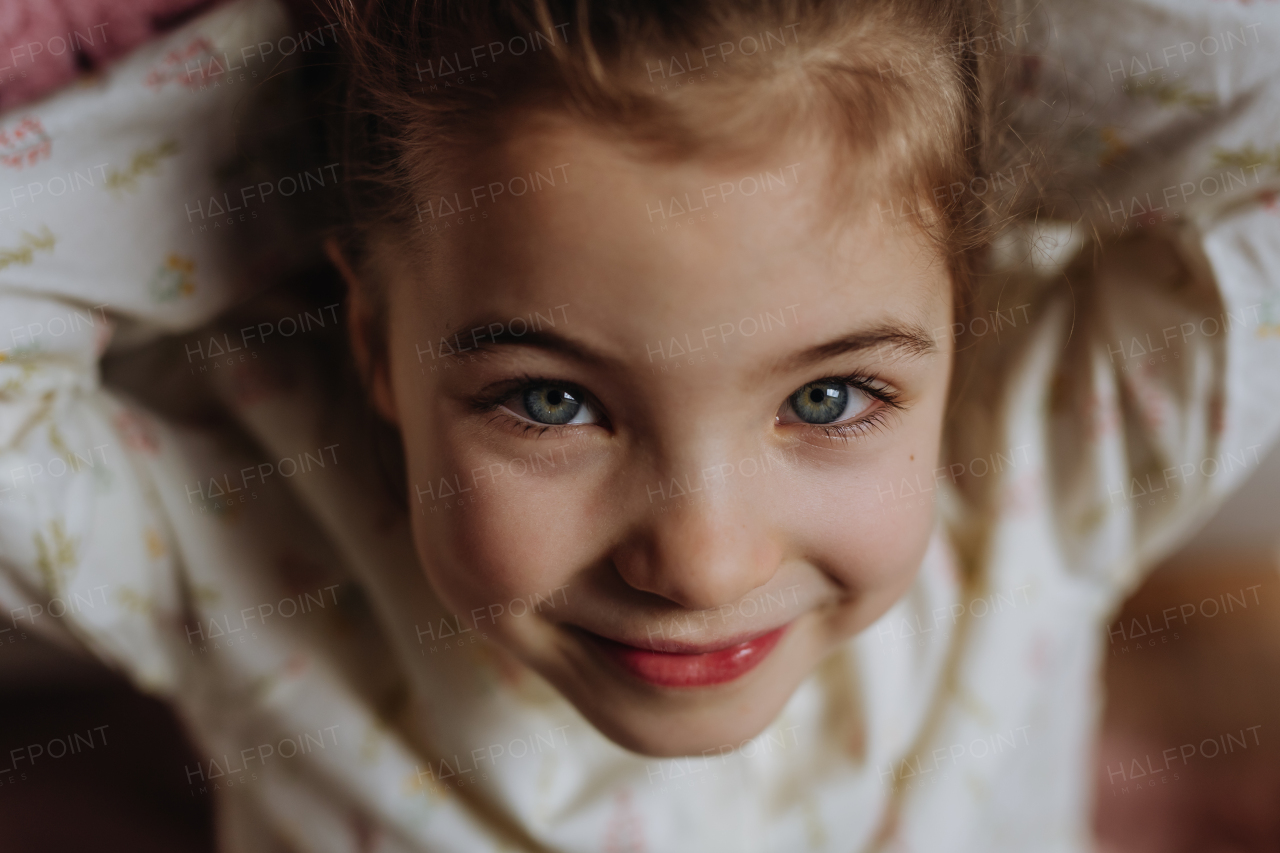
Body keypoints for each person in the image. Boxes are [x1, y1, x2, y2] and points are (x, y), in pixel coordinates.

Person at [0, 0, 1277, 850]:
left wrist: (924, 63)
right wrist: (312, 86)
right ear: (369, 345)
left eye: (829, 397)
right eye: (548, 400)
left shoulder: (1046, 471)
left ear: (964, 310)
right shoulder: (252, 561)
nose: (703, 562)